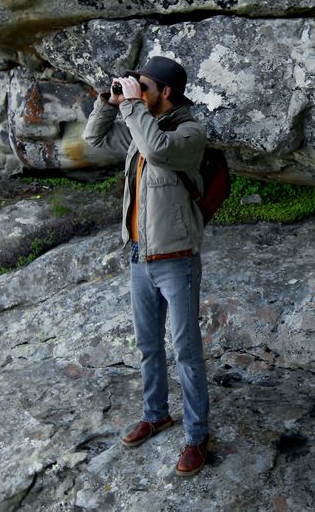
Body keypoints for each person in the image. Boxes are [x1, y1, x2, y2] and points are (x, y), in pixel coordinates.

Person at [82, 56, 212, 476]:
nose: (136, 92)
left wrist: (134, 107)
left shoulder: (189, 134)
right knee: (148, 346)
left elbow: (157, 149)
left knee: (187, 353)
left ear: (165, 92)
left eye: (144, 86)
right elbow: (93, 138)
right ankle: (156, 414)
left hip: (176, 260)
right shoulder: (140, 128)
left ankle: (197, 436)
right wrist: (109, 101)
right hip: (139, 256)